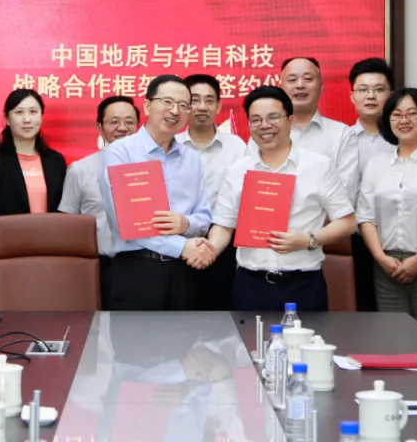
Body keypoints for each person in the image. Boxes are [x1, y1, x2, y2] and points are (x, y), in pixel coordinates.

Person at [206, 86, 356, 312]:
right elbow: (223, 226)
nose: (264, 125)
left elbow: (347, 222)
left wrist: (308, 240)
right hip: (250, 285)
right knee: (249, 338)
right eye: (256, 120)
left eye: (273, 117)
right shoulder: (238, 170)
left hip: (303, 285)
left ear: (290, 120)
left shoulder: (319, 166)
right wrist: (209, 249)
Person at [98, 74, 214, 311]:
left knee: (183, 335)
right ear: (147, 105)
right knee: (136, 337)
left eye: (183, 105)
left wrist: (185, 224)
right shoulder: (121, 152)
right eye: (167, 102)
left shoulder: (192, 158)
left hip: (183, 272)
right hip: (137, 271)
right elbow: (127, 224)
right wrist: (181, 246)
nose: (175, 111)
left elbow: (204, 218)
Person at [357, 88, 417, 333]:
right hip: (386, 266)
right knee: (393, 337)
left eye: (412, 113)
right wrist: (381, 258)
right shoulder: (376, 165)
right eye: (396, 114)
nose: (404, 120)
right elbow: (365, 217)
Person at [0, 89, 67, 295]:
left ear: (41, 117)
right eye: (19, 112)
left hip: (49, 259)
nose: (27, 119)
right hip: (7, 259)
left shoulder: (55, 161)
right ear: (7, 119)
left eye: (33, 112)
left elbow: (64, 214)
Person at [59, 95, 140, 308]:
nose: (122, 128)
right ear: (100, 127)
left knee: (143, 326)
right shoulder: (80, 170)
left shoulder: (154, 168)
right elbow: (68, 225)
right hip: (99, 268)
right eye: (114, 122)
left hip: (144, 267)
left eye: (129, 122)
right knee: (99, 327)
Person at [176, 74, 247, 311]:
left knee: (221, 316)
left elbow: (244, 198)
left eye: (209, 100)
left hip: (225, 243)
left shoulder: (237, 147)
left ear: (218, 106)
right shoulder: (170, 145)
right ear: (185, 105)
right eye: (195, 100)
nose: (202, 107)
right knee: (180, 316)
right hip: (179, 244)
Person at [247, 57, 359, 200]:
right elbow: (253, 185)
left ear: (321, 86)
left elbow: (345, 193)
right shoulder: (263, 134)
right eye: (292, 80)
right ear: (281, 87)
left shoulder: (342, 134)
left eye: (308, 79)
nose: (300, 85)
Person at [347, 58, 396, 312]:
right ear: (352, 96)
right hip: (353, 240)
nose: (371, 96)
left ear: (391, 95)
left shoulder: (405, 139)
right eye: (363, 90)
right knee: (360, 308)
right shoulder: (342, 140)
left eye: (378, 89)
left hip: (396, 240)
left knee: (395, 315)